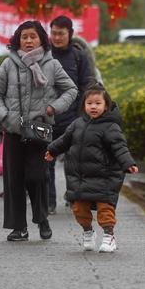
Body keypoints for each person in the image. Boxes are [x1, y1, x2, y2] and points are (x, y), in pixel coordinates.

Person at [0, 21, 78, 242]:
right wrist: (4, 115)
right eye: (24, 37)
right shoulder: (9, 64)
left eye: (33, 37)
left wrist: (53, 108)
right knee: (14, 181)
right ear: (18, 40)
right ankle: (19, 228)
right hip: (13, 131)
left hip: (39, 131)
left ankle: (41, 218)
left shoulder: (52, 64)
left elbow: (71, 89)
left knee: (37, 177)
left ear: (41, 39)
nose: (28, 41)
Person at [45, 84, 139, 253]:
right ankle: (88, 231)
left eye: (98, 103)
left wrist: (128, 163)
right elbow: (64, 140)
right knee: (79, 209)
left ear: (106, 105)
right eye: (89, 103)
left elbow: (120, 147)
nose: (93, 107)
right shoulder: (77, 124)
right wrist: (52, 150)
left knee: (105, 210)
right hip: (80, 177)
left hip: (105, 177)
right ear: (84, 105)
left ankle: (109, 236)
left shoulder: (111, 127)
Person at [47, 15, 94, 213]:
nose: (57, 37)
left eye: (61, 34)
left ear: (70, 34)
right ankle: (48, 202)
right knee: (46, 161)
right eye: (54, 33)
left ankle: (73, 197)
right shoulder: (43, 55)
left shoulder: (79, 56)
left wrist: (82, 115)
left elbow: (88, 85)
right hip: (46, 118)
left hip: (72, 119)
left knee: (73, 163)